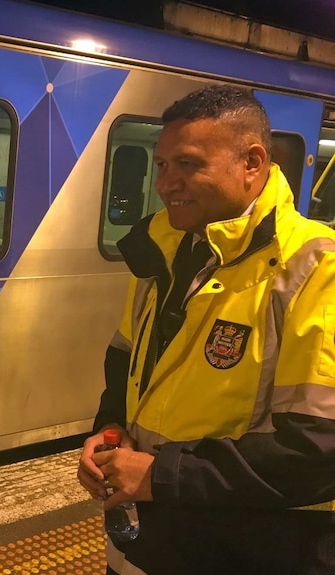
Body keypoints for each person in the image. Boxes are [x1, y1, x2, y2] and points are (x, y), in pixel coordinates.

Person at [77, 84, 335, 575]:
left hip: (256, 548)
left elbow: (319, 446)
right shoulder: (164, 253)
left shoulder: (315, 268)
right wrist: (109, 431)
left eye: (188, 164)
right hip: (154, 541)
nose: (166, 183)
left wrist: (159, 477)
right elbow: (126, 368)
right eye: (162, 166)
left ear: (252, 163)